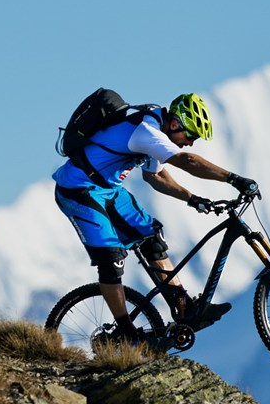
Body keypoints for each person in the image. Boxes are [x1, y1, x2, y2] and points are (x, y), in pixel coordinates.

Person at [52, 92, 257, 341]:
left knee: (153, 241)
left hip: (108, 190)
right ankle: (127, 334)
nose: (190, 143)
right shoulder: (147, 131)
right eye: (190, 135)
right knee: (111, 260)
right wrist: (233, 179)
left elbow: (155, 176)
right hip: (78, 189)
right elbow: (188, 161)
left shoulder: (156, 131)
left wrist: (191, 198)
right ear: (174, 124)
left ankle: (184, 308)